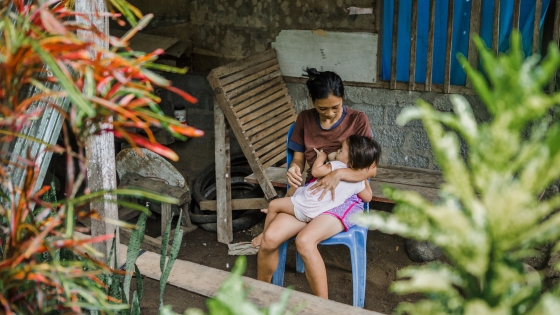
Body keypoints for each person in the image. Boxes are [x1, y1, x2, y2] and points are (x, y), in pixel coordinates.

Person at [257, 68, 379, 300]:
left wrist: (340, 175)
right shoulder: (304, 119)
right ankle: (261, 294)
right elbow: (300, 159)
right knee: (270, 238)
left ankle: (323, 307)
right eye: (323, 108)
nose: (331, 114)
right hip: (313, 191)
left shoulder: (358, 120)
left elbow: (370, 168)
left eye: (336, 107)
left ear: (343, 100)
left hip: (345, 197)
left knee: (304, 241)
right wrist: (294, 168)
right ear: (312, 101)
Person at [252, 134, 381, 248]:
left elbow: (316, 171)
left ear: (351, 161)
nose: (337, 151)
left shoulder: (336, 166)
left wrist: (321, 156)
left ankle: (263, 236)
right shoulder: (358, 182)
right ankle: (281, 209)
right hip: (319, 212)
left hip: (307, 206)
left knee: (274, 204)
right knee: (293, 192)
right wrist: (364, 178)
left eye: (341, 151)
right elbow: (368, 197)